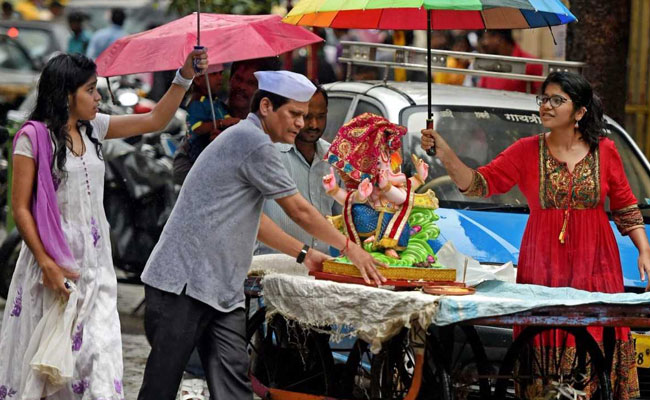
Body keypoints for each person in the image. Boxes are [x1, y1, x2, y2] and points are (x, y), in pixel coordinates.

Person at [137, 70, 385, 400]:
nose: (301, 123)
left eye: (307, 115)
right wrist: (352, 249)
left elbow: (256, 220)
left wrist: (304, 254)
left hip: (221, 291)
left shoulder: (251, 139)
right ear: (266, 106)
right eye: (295, 114)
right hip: (183, 284)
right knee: (160, 389)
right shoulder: (252, 142)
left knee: (234, 389)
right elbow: (299, 209)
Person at [421, 71, 649, 399]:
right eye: (544, 99)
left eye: (558, 100)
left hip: (598, 262)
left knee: (596, 340)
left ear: (580, 112)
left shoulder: (606, 151)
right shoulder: (526, 151)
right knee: (543, 337)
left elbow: (626, 206)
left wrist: (644, 249)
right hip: (544, 264)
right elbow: (478, 183)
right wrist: (444, 150)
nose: (547, 106)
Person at [0, 50, 208, 398]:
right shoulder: (32, 138)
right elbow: (21, 208)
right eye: (91, 89)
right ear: (67, 94)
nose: (98, 97)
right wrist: (48, 264)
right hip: (50, 265)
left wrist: (183, 77)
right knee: (51, 369)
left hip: (96, 265)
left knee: (99, 353)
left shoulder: (95, 129)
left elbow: (155, 120)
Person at [257, 85, 339, 254]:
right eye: (308, 116)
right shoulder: (269, 153)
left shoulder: (334, 158)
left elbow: (342, 217)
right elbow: (299, 212)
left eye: (321, 117)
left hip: (319, 268)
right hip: (272, 266)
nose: (314, 125)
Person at [172, 57, 281, 184]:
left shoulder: (270, 128)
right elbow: (180, 171)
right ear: (229, 79)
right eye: (238, 79)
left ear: (264, 91)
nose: (241, 87)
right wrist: (209, 152)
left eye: (251, 83)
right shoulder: (211, 115)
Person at [183, 63, 239, 163]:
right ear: (198, 79)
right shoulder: (197, 103)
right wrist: (221, 123)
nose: (220, 77)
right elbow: (196, 128)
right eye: (214, 74)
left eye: (221, 73)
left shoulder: (216, 102)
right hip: (199, 152)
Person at [477, 29, 543, 93]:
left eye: (487, 37)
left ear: (499, 38)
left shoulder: (531, 63)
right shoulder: (488, 63)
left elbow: (540, 96)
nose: (484, 42)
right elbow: (481, 89)